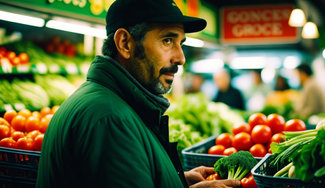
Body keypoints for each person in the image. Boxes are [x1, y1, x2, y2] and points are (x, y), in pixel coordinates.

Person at [36, 0, 240, 187]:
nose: (180, 58)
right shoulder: (110, 120)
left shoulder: (114, 105)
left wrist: (178, 182)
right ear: (125, 43)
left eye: (181, 44)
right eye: (167, 41)